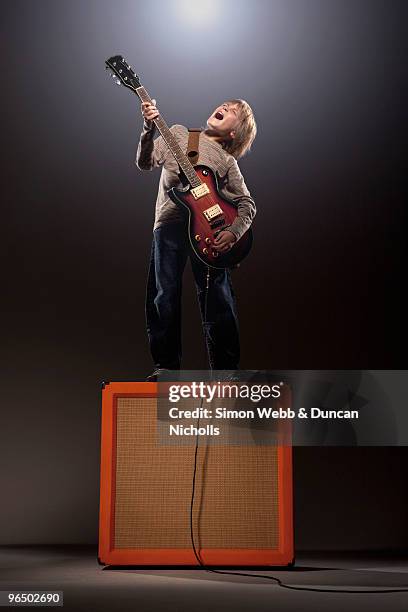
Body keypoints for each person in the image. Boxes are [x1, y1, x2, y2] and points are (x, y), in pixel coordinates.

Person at [136, 98, 257, 381]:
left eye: (234, 113)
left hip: (212, 234)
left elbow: (247, 204)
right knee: (163, 295)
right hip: (168, 225)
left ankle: (226, 374)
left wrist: (233, 232)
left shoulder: (227, 161)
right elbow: (145, 162)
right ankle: (165, 369)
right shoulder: (178, 133)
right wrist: (147, 127)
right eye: (225, 104)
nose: (226, 108)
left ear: (234, 134)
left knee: (219, 299)